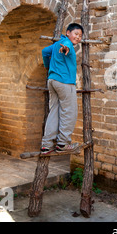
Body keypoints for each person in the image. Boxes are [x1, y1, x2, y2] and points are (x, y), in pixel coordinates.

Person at [40, 23, 83, 155]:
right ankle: (63, 144)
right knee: (70, 112)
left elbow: (44, 51)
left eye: (80, 36)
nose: (78, 37)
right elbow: (67, 47)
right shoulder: (65, 44)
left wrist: (48, 67)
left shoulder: (57, 44)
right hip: (65, 82)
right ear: (68, 32)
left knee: (54, 112)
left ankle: (46, 145)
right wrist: (66, 48)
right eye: (76, 34)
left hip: (52, 81)